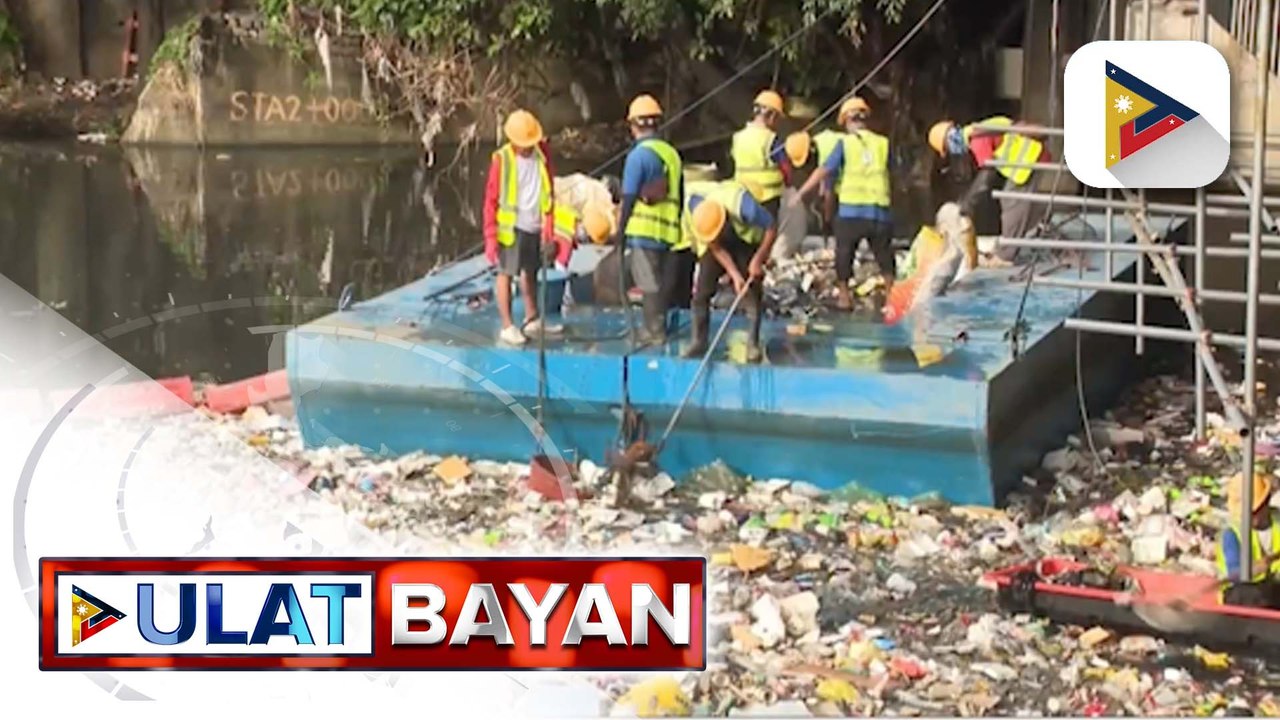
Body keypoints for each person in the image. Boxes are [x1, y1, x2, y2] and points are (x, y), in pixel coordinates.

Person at [791, 96, 892, 310]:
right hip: (879, 212)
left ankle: (845, 297)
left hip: (852, 211)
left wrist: (800, 194)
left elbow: (825, 171)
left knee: (844, 253)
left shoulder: (844, 144)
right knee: (884, 255)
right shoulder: (883, 143)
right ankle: (894, 297)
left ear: (846, 120)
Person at [483, 109, 563, 346]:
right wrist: (490, 235)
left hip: (534, 224)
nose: (529, 147)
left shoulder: (542, 154)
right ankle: (508, 326)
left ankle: (532, 318)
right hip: (511, 228)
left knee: (531, 270)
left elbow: (549, 190)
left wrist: (549, 226)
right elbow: (490, 200)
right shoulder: (502, 160)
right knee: (507, 273)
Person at [927, 116, 1049, 263]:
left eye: (948, 148)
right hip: (1030, 157)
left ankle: (1005, 256)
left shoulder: (977, 138)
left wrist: (967, 203)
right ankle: (1037, 226)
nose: (953, 151)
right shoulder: (979, 128)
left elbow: (986, 176)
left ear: (950, 139)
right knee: (1020, 202)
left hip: (1027, 160)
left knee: (1011, 202)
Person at [681, 179, 777, 364]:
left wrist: (758, 259)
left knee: (751, 288)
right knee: (701, 292)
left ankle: (752, 343)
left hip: (745, 241)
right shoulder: (697, 210)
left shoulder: (745, 207)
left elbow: (772, 228)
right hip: (719, 240)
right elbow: (715, 246)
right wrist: (734, 275)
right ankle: (698, 341)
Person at [617, 94, 684, 344]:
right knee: (661, 282)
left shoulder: (638, 156)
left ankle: (653, 331)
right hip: (669, 232)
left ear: (634, 125)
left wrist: (620, 230)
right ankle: (659, 326)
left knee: (648, 283)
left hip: (644, 231)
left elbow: (629, 196)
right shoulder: (672, 154)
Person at [1216, 472, 1280, 608]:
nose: (1250, 518)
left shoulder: (1277, 522)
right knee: (1255, 595)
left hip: (1273, 586)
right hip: (1240, 592)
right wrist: (1252, 570)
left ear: (1266, 502)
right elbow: (1233, 572)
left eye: (1255, 512)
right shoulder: (1232, 534)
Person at [732, 89, 792, 222]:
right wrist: (789, 185)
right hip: (767, 198)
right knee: (768, 234)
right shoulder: (771, 139)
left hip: (741, 196)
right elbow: (785, 167)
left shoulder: (738, 137)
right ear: (772, 115)